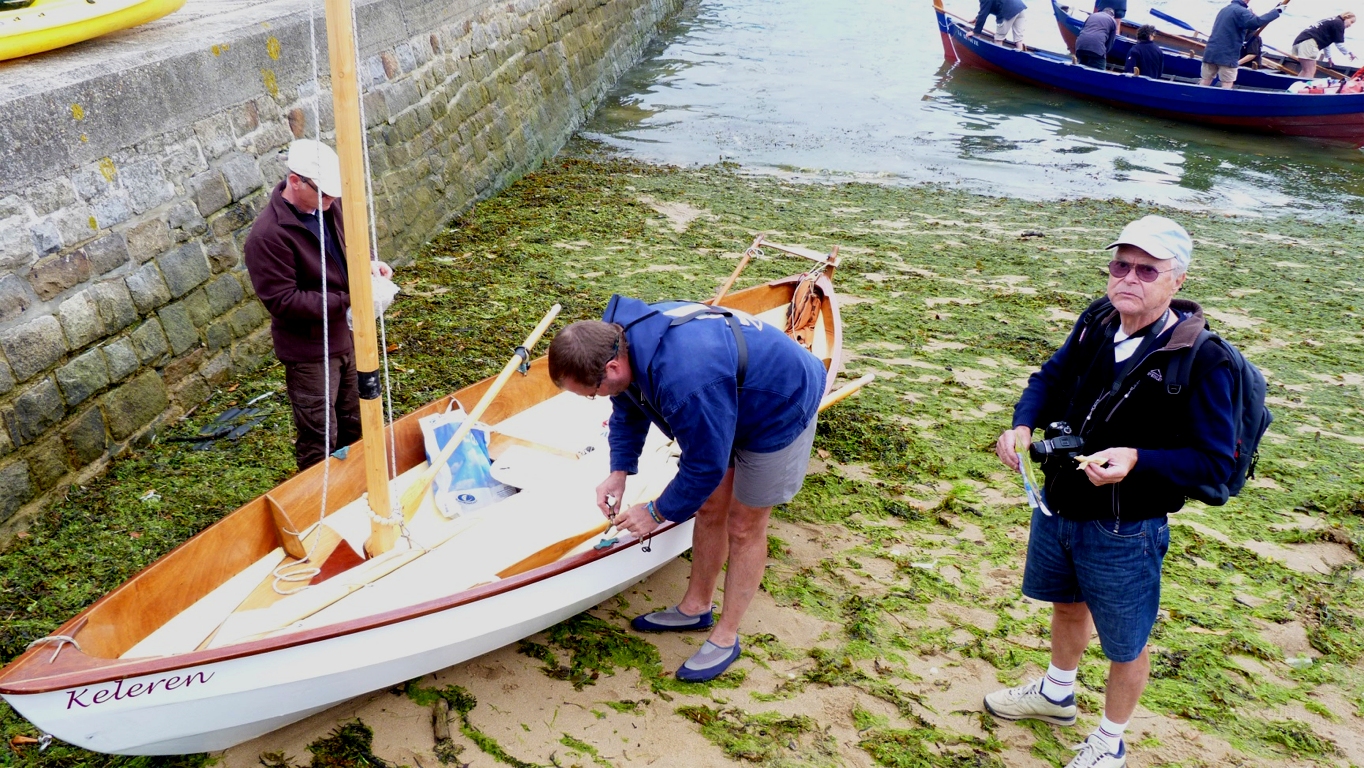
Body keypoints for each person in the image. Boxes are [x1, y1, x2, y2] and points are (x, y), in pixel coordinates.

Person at [984, 215, 1236, 768]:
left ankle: (1110, 741)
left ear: (1179, 280)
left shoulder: (1204, 358)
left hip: (1127, 525)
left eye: (1148, 270)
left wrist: (1137, 459)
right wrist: (1024, 425)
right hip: (1060, 503)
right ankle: (1056, 693)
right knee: (1067, 604)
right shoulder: (1098, 319)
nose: (1130, 278)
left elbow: (1216, 460)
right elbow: (1049, 379)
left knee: (1127, 641)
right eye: (1121, 264)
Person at [546, 296, 826, 682]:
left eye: (592, 392)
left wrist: (656, 512)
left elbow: (704, 464)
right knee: (710, 506)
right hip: (725, 396)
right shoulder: (621, 344)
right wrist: (619, 471)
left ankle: (726, 637)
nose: (597, 398)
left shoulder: (685, 378)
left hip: (780, 404)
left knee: (744, 524)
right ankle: (696, 607)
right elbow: (628, 403)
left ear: (612, 365)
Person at [244, 139, 393, 472]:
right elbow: (283, 301)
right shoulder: (267, 236)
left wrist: (370, 264)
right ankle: (316, 507)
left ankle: (359, 490)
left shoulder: (330, 206)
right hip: (310, 352)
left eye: (333, 194)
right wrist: (350, 298)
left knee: (357, 421)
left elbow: (352, 242)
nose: (331, 200)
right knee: (319, 438)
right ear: (295, 181)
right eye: (324, 193)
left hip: (349, 335)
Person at [1200, 0, 1286, 87]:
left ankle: (1198, 97)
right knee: (1227, 83)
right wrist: (1277, 12)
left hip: (1210, 53)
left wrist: (1273, 11)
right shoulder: (1241, 11)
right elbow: (1255, 23)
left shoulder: (1225, 9)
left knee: (1205, 80)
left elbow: (1252, 21)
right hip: (1227, 56)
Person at [1291, 12, 1357, 78]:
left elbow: (1326, 43)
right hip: (1309, 43)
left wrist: (1329, 57)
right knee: (1310, 70)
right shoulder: (1339, 24)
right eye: (1351, 22)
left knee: (1306, 70)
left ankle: (1297, 84)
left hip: (1300, 41)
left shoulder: (1333, 20)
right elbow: (1339, 44)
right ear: (1346, 17)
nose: (1350, 25)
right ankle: (1304, 87)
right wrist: (1351, 53)